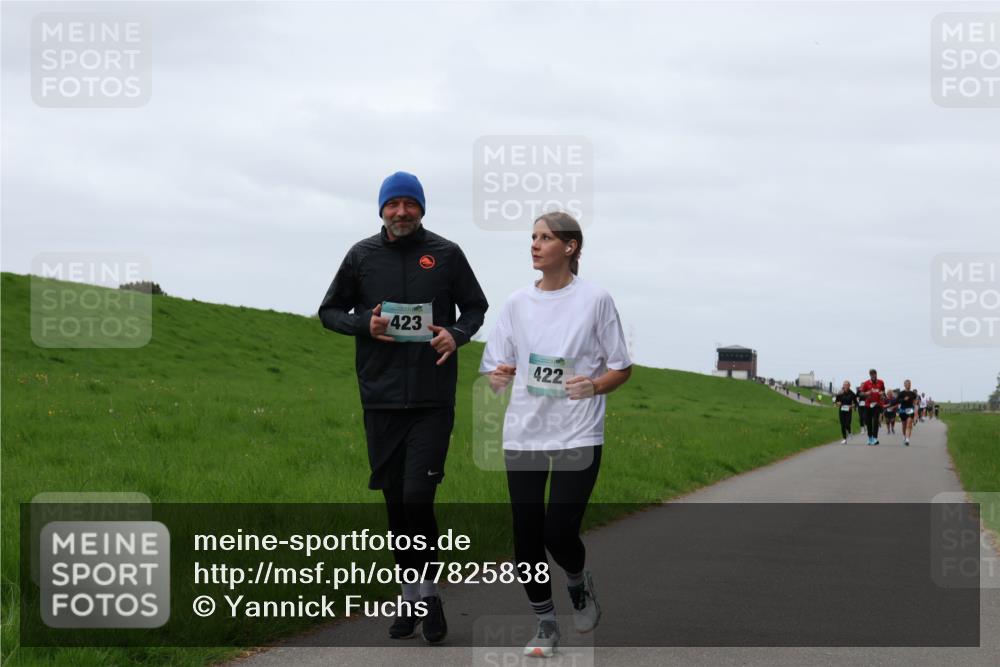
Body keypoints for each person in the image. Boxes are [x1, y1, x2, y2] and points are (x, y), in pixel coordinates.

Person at [318, 171, 489, 643]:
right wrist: (363, 325)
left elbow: (476, 307)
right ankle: (409, 595)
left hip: (432, 399)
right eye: (393, 204)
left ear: (421, 209)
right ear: (381, 209)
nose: (401, 212)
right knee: (396, 505)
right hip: (381, 399)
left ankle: (429, 595)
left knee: (418, 498)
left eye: (409, 204)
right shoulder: (361, 256)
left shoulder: (447, 254)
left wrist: (456, 334)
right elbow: (329, 312)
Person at [480, 211, 632, 658]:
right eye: (533, 237)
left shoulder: (595, 299)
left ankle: (578, 583)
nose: (535, 244)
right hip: (524, 432)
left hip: (578, 432)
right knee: (526, 536)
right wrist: (498, 375)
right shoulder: (516, 304)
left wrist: (594, 386)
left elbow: (621, 367)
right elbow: (495, 365)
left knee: (559, 532)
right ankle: (545, 622)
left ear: (570, 247)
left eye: (545, 237)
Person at [858, 369, 886, 445]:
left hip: (877, 405)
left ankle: (875, 438)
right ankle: (870, 438)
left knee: (876, 421)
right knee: (869, 422)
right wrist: (866, 393)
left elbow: (883, 391)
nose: (873, 376)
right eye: (871, 374)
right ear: (870, 375)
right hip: (868, 405)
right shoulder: (866, 383)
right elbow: (861, 394)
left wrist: (882, 394)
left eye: (874, 374)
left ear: (876, 374)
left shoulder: (881, 382)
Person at [897, 380, 919, 446]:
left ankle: (907, 439)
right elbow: (898, 401)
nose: (908, 385)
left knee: (909, 424)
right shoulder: (901, 393)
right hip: (902, 410)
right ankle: (905, 436)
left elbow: (915, 403)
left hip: (910, 409)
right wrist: (904, 399)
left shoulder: (913, 394)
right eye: (907, 384)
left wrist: (916, 414)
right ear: (904, 385)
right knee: (904, 425)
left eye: (909, 384)